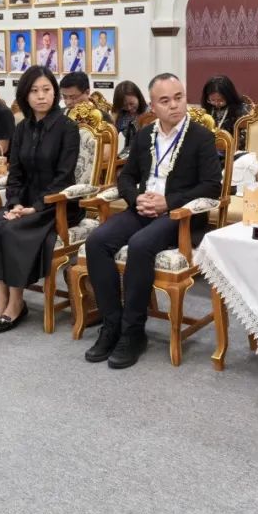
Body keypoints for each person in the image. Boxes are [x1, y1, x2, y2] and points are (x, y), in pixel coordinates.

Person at [83, 73, 221, 368]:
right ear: (153, 106)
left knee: (140, 244)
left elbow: (212, 186)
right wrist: (136, 199)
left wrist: (168, 201)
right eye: (165, 100)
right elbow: (127, 177)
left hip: (179, 216)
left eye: (179, 98)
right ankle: (112, 324)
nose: (174, 105)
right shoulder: (145, 135)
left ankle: (133, 332)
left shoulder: (201, 136)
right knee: (97, 241)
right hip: (142, 209)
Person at [0, 66, 82, 332]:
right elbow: (15, 174)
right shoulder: (22, 128)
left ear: (55, 93)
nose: (41, 96)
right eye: (34, 91)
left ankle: (16, 303)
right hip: (22, 202)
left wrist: (34, 207)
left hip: (56, 204)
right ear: (25, 95)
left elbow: (64, 177)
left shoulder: (67, 128)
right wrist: (14, 203)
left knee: (10, 232)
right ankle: (1, 300)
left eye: (46, 90)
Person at [111, 80, 147, 147]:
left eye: (131, 103)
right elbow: (111, 137)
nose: (129, 108)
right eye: (124, 105)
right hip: (129, 151)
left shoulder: (150, 112)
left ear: (138, 97)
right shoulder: (122, 114)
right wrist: (114, 116)